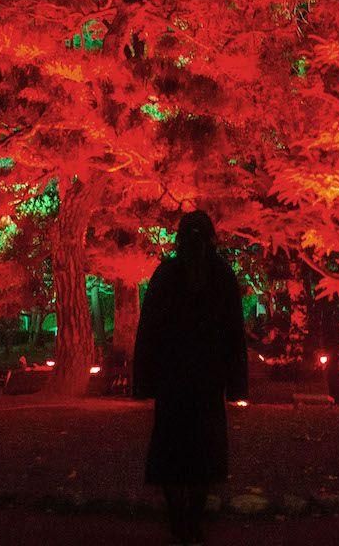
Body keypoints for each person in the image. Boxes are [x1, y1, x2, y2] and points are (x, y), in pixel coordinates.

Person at [133, 210, 248, 544]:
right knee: (203, 452)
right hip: (207, 379)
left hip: (173, 378)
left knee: (171, 450)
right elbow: (234, 333)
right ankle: (193, 521)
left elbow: (149, 330)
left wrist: (145, 380)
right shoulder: (221, 275)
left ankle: (178, 520)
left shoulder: (167, 275)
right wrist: (235, 383)